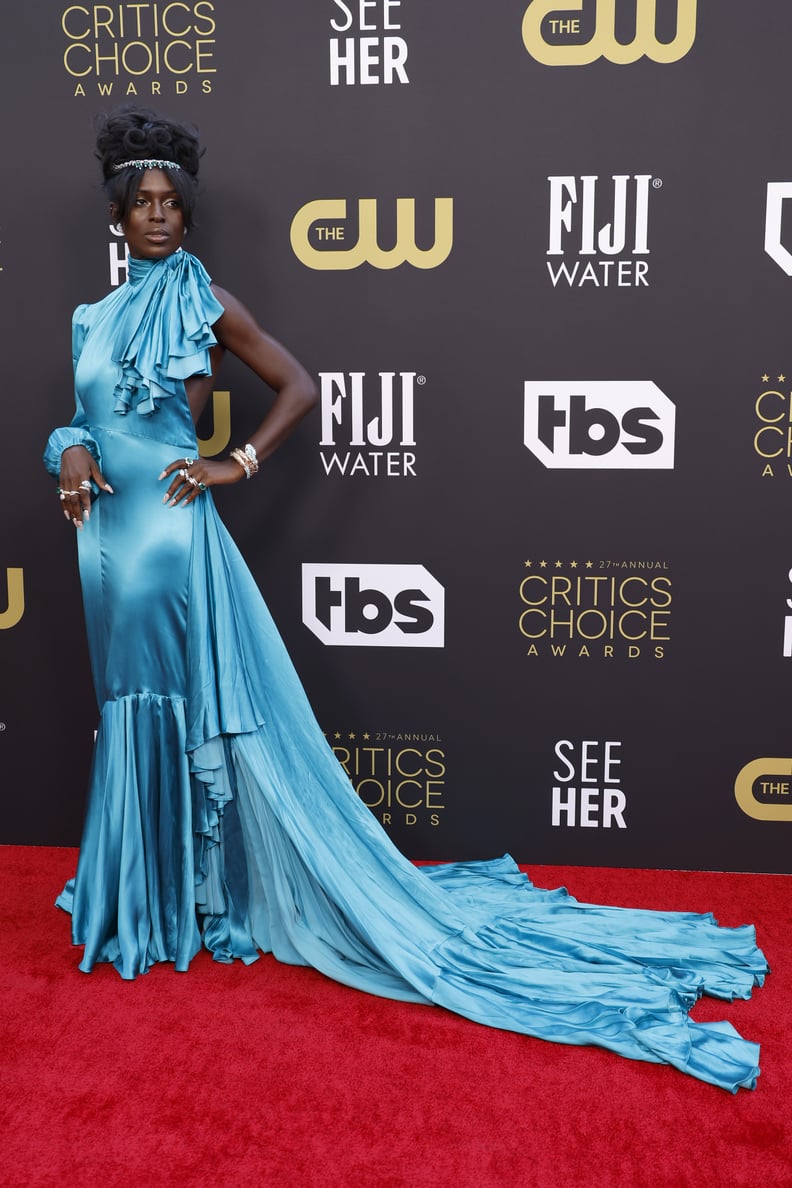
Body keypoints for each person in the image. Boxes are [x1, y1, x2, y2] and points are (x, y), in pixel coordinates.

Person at [44, 107, 767, 1092]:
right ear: (118, 219)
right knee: (130, 713)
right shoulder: (91, 316)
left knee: (175, 713)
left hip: (170, 538)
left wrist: (235, 461)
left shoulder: (206, 300)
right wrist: (71, 453)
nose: (161, 216)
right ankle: (140, 895)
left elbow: (298, 385)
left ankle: (177, 906)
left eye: (174, 203)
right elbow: (83, 419)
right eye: (145, 204)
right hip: (104, 539)